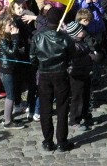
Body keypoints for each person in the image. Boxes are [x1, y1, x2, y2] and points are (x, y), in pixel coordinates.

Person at [29, 8, 77, 152]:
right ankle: (62, 141)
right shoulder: (64, 38)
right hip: (60, 74)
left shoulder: (38, 37)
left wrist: (41, 64)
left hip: (44, 74)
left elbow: (32, 58)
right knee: (62, 108)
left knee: (45, 108)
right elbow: (72, 56)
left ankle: (48, 141)